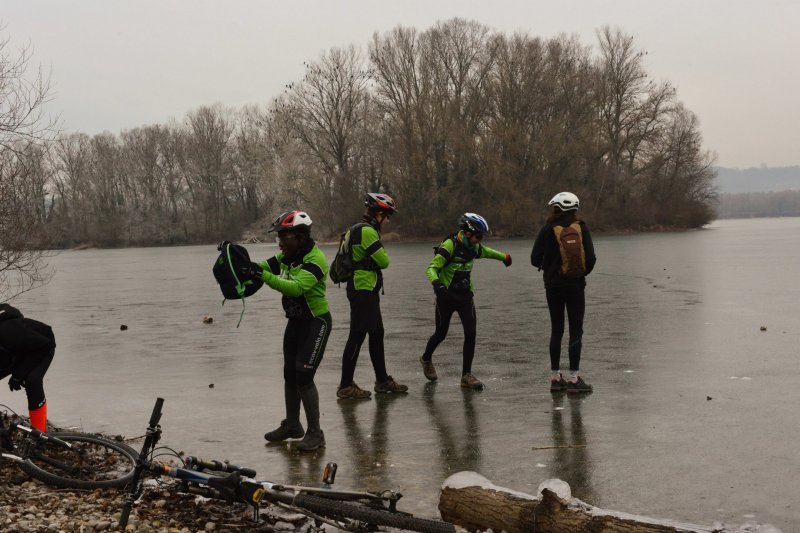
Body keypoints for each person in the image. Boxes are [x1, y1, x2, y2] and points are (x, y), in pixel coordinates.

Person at [248, 211, 331, 451]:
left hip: (317, 323)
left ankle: (316, 433)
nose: (280, 243)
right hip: (295, 322)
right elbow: (262, 266)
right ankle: (293, 425)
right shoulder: (288, 256)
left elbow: (295, 288)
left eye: (285, 238)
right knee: (289, 375)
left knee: (304, 376)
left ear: (301, 238)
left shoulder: (316, 260)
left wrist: (261, 275)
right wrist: (240, 263)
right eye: (279, 239)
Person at [421, 213, 512, 390]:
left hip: (465, 297)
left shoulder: (474, 247)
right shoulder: (450, 245)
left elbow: (487, 252)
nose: (480, 240)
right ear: (468, 233)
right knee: (441, 333)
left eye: (481, 237)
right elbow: (432, 268)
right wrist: (438, 285)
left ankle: (466, 375)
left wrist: (504, 257)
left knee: (470, 333)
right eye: (478, 236)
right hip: (446, 297)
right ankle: (426, 358)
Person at [336, 193, 408, 400]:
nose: (388, 220)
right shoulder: (367, 231)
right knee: (357, 335)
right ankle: (345, 385)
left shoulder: (358, 228)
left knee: (377, 334)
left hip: (364, 289)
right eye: (387, 216)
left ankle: (382, 381)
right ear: (378, 214)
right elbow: (384, 261)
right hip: (363, 289)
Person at [530, 192, 596, 393]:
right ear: (574, 209)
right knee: (576, 329)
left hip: (553, 286)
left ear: (556, 208)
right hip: (575, 285)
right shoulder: (581, 228)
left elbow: (534, 259)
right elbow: (591, 259)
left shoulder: (547, 228)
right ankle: (574, 379)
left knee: (557, 329)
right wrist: (578, 273)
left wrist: (550, 267)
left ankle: (555, 377)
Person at [0, 303, 55, 432]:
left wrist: (18, 375)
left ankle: (39, 434)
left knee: (32, 381)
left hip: (43, 345)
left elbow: (44, 345)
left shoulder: (9, 332)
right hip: (13, 352)